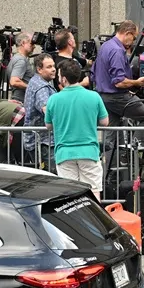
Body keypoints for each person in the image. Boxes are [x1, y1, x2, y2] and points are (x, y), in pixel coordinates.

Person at [46, 60, 109, 197]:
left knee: (69, 195)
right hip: (89, 151)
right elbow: (105, 122)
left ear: (63, 78)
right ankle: (94, 219)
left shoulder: (53, 99)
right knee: (93, 192)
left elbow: (48, 125)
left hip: (64, 153)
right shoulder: (94, 96)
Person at [93, 21, 144, 125]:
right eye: (134, 37)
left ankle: (117, 142)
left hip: (103, 96)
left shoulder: (105, 46)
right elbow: (119, 82)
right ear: (127, 33)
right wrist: (136, 82)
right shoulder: (117, 51)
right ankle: (140, 142)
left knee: (112, 132)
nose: (133, 41)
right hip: (117, 96)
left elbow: (94, 72)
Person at [23, 53, 56, 165]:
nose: (53, 69)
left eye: (53, 66)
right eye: (49, 67)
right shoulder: (41, 87)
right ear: (39, 69)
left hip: (40, 140)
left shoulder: (37, 81)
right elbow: (47, 110)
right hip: (43, 141)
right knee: (52, 177)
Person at [7, 32, 34, 102]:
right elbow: (14, 81)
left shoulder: (16, 58)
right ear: (23, 43)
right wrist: (32, 88)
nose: (34, 46)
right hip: (21, 102)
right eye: (32, 43)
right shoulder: (20, 60)